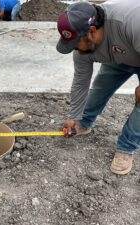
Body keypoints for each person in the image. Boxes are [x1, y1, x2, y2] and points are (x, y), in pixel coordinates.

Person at [56, 0, 140, 175]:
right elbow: (80, 81)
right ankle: (84, 123)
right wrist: (74, 116)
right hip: (120, 55)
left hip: (132, 41)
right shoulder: (83, 47)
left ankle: (126, 147)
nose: (75, 50)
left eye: (75, 44)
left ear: (91, 32)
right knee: (100, 87)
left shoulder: (132, 21)